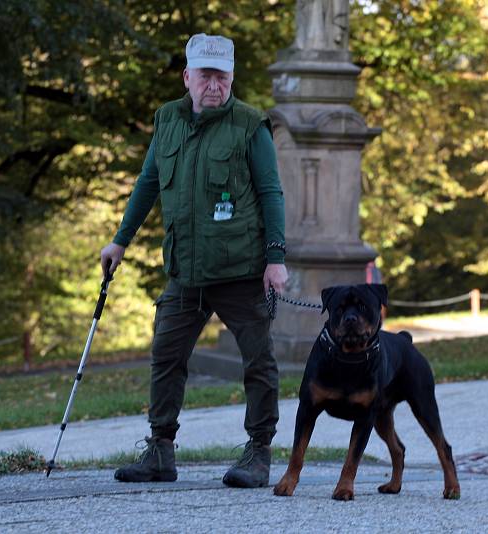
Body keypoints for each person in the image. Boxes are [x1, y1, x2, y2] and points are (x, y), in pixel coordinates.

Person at [100, 33, 288, 488]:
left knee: (257, 361)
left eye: (222, 76)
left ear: (231, 78)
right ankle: (160, 451)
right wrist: (119, 241)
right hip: (185, 269)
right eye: (205, 75)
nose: (214, 85)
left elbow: (270, 193)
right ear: (188, 77)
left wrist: (275, 259)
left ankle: (258, 453)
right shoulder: (167, 120)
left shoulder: (250, 125)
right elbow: (147, 182)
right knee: (166, 355)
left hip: (242, 269)